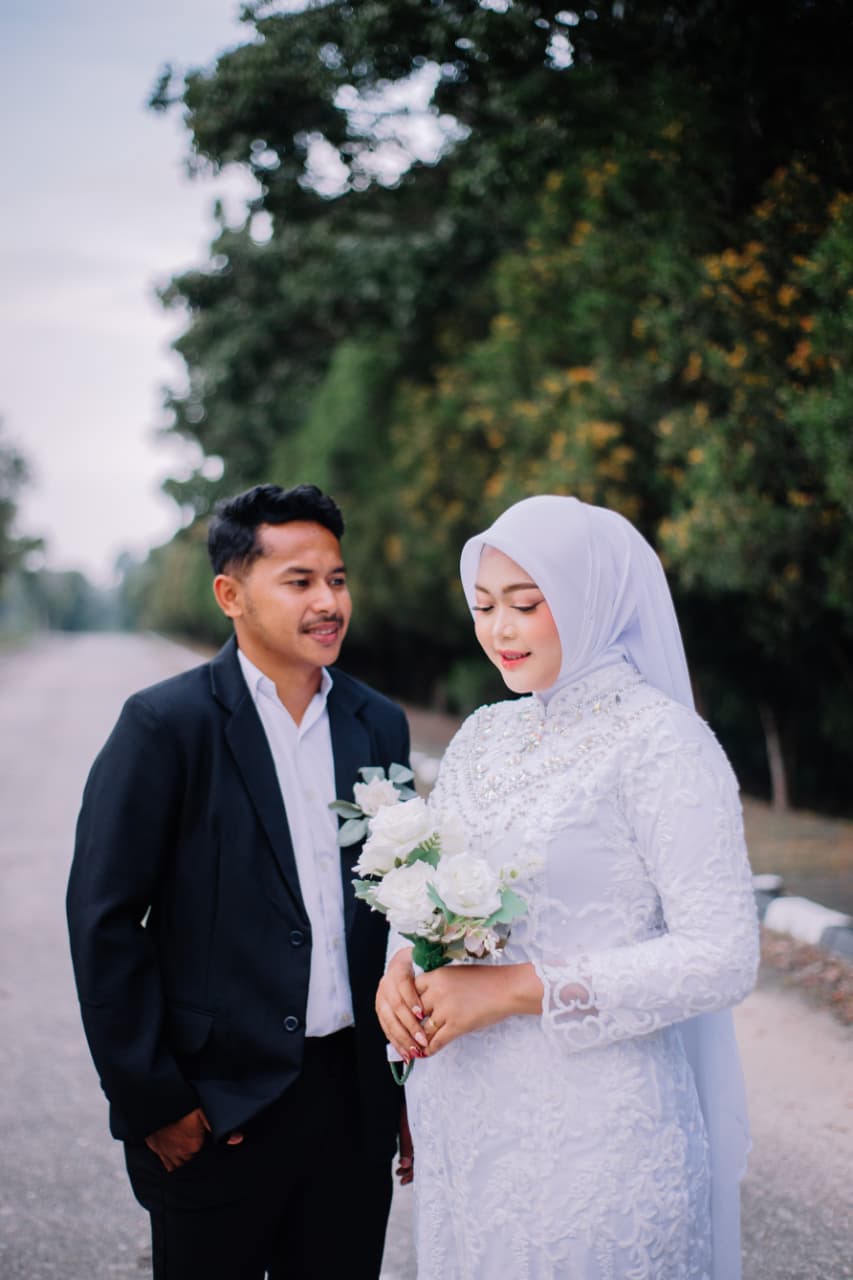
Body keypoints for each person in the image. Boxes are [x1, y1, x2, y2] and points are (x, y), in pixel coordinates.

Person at [378, 494, 760, 1280]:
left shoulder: (661, 742)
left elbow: (722, 955)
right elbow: (433, 882)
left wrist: (515, 988)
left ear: (590, 599)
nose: (500, 629)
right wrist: (399, 968)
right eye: (483, 606)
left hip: (596, 1133)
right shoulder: (483, 734)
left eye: (526, 604)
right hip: (466, 1118)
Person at [67, 483, 411, 1280]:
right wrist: (157, 1103)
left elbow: (398, 909)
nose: (328, 602)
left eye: (337, 579)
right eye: (299, 581)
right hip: (218, 1105)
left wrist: (400, 1089)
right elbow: (103, 919)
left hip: (350, 1103)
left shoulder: (378, 723)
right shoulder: (165, 725)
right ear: (231, 595)